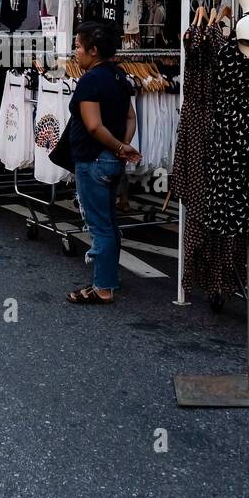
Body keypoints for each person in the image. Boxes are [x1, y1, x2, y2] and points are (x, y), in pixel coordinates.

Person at [66, 22, 140, 306]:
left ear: (93, 50)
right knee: (109, 222)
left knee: (100, 226)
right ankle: (109, 279)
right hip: (110, 161)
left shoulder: (91, 80)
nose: (75, 52)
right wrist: (122, 146)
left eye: (78, 46)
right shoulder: (120, 77)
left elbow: (94, 126)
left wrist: (120, 147)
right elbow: (131, 118)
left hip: (94, 161)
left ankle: (103, 288)